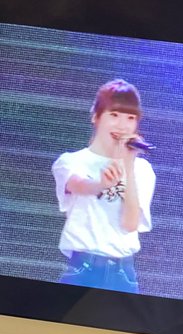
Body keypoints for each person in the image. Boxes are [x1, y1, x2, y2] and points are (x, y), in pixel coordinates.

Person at [52, 79, 156, 293]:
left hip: (123, 273)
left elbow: (130, 224)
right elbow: (78, 185)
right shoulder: (72, 161)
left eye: (130, 118)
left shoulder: (142, 169)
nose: (122, 125)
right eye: (114, 115)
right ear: (96, 117)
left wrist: (127, 164)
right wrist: (100, 184)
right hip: (83, 268)